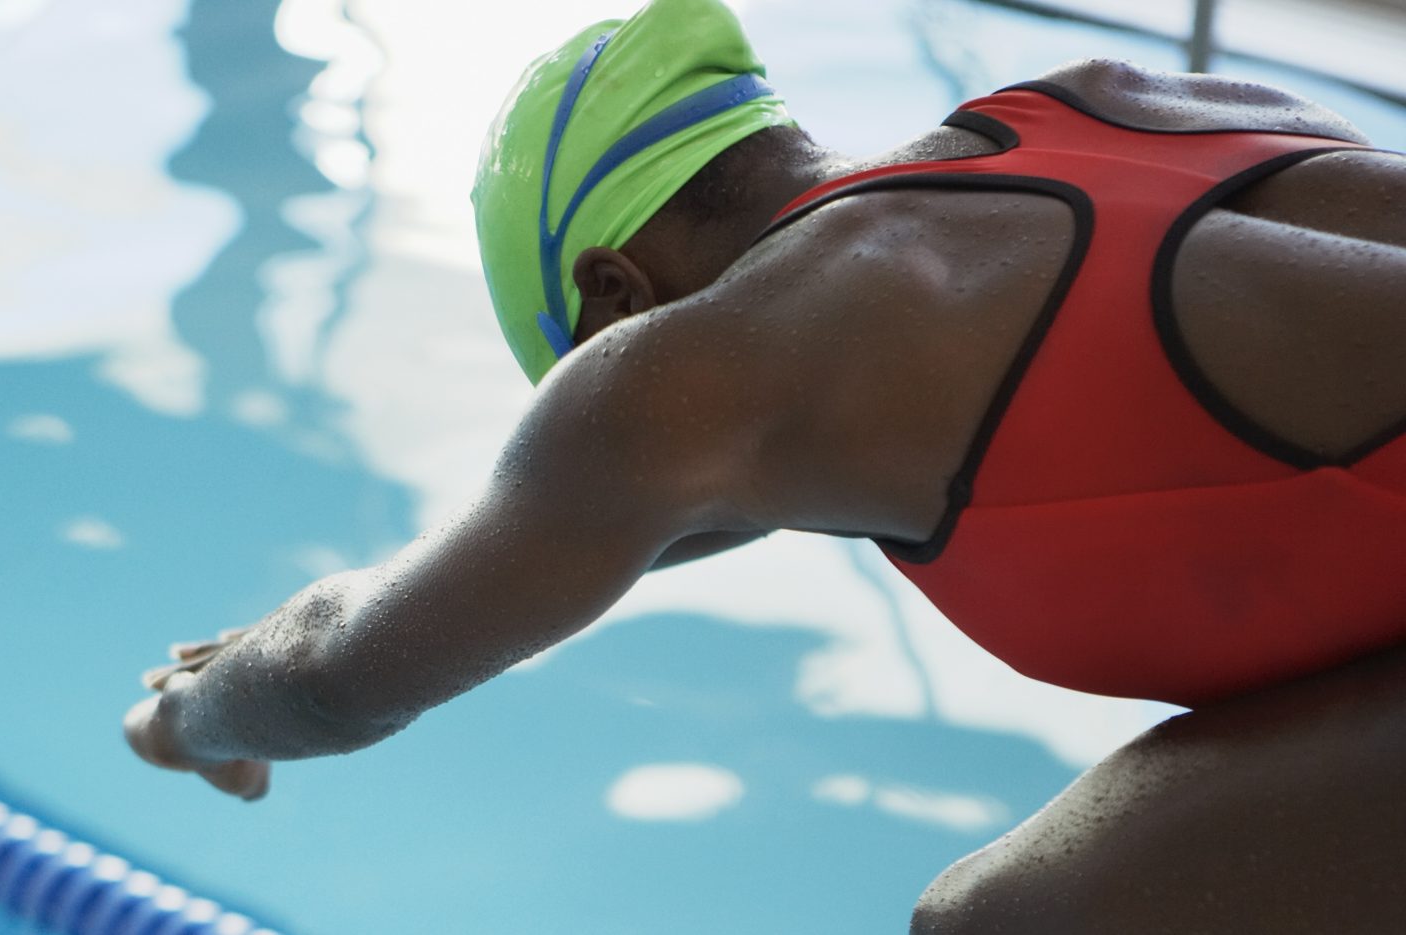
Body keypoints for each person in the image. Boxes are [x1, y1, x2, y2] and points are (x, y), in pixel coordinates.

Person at [127, 0, 1406, 929]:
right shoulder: (1109, 105)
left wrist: (192, 718)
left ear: (614, 295)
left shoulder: (697, 370)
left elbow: (341, 674)